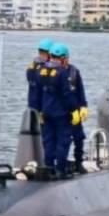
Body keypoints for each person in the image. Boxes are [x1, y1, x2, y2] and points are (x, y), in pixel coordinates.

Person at [39, 43, 81, 179]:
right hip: (61, 113)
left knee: (48, 141)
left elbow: (38, 91)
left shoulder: (41, 70)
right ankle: (60, 170)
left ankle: (49, 168)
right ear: (63, 58)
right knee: (63, 141)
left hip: (46, 112)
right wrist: (74, 110)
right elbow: (67, 94)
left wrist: (40, 109)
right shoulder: (62, 72)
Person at [56, 46, 89, 174]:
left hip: (75, 111)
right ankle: (58, 165)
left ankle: (78, 162)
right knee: (61, 141)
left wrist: (83, 107)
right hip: (62, 112)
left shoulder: (74, 72)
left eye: (63, 58)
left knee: (79, 137)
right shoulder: (54, 73)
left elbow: (80, 91)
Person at [26, 38, 52, 115]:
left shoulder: (34, 65)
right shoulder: (34, 66)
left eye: (44, 52)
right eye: (41, 52)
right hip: (37, 105)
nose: (42, 54)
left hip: (43, 105)